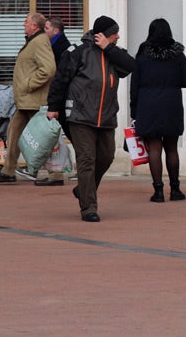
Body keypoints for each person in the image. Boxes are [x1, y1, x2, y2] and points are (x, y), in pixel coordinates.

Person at [47, 15, 135, 222]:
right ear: (104, 34)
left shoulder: (114, 53)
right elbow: (61, 79)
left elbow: (131, 65)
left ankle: (83, 189)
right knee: (87, 160)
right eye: (115, 33)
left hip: (106, 117)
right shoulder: (78, 51)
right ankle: (89, 208)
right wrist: (53, 106)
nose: (118, 36)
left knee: (106, 157)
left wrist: (108, 48)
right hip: (80, 115)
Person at [0, 13, 60, 184]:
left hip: (35, 101)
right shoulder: (33, 41)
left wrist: (29, 84)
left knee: (44, 136)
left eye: (26, 22)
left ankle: (56, 174)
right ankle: (8, 171)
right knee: (14, 132)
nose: (23, 24)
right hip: (27, 101)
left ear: (34, 26)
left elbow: (49, 69)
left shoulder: (40, 41)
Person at [130, 18, 186, 202]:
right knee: (172, 148)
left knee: (154, 147)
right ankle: (175, 189)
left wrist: (134, 112)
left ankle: (158, 191)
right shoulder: (177, 55)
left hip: (148, 105)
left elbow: (134, 86)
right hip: (171, 104)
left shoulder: (142, 55)